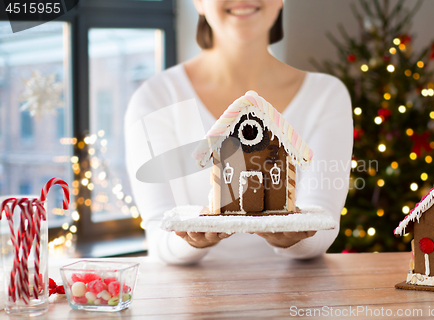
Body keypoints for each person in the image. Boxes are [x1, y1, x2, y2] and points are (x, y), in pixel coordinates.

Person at [125, 0, 353, 264]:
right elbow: (159, 232)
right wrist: (190, 238)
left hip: (296, 298)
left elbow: (323, 221)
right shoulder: (156, 98)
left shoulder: (326, 95)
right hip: (191, 298)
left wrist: (297, 237)